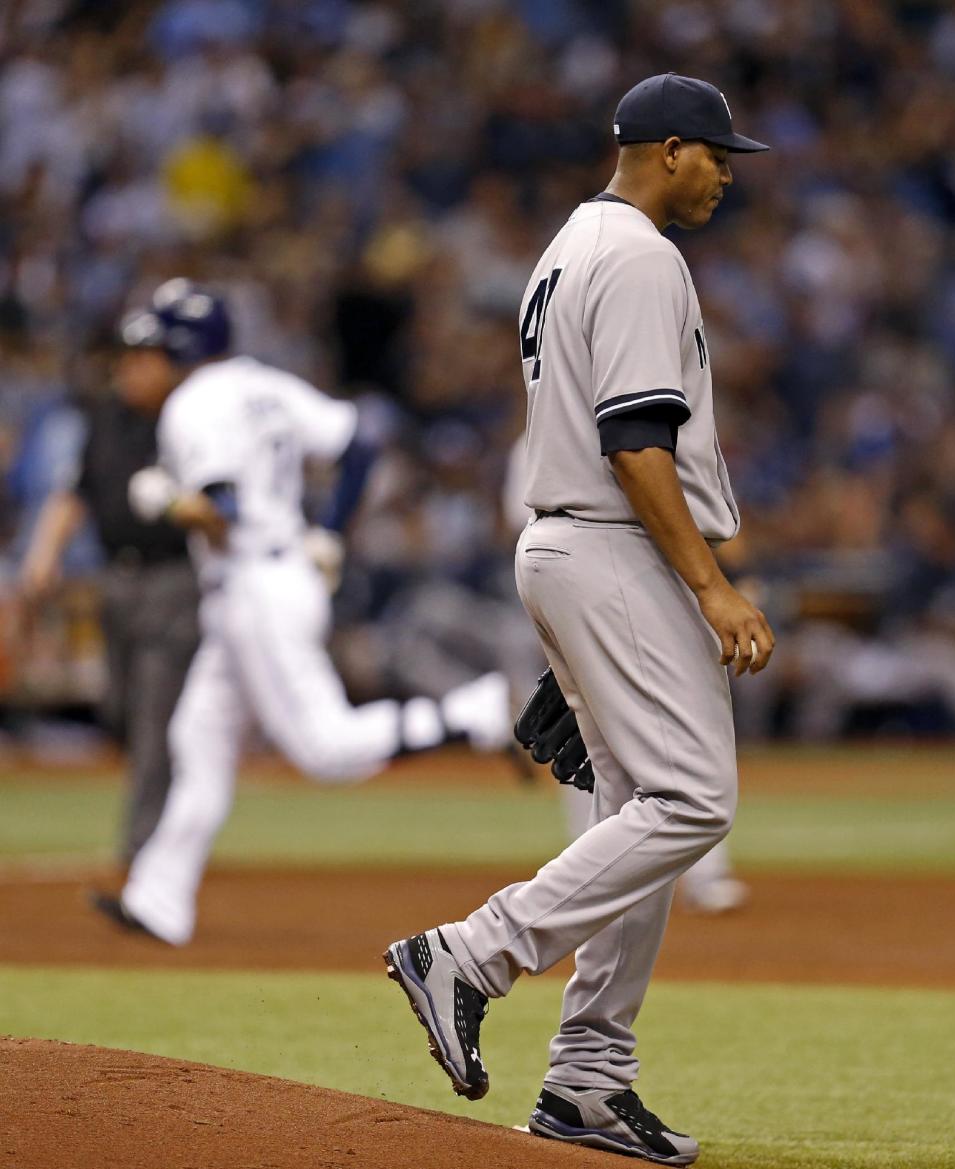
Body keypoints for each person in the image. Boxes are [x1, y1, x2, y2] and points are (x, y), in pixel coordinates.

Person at [384, 74, 775, 1165]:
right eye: (715, 154)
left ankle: (589, 1083)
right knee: (695, 798)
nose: (727, 173)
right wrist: (706, 585)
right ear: (664, 148)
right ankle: (472, 950)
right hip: (615, 543)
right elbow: (636, 438)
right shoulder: (644, 254)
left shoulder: (567, 246)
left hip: (577, 546)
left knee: (637, 813)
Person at [91, 278, 511, 946]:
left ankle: (472, 712)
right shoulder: (264, 384)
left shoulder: (193, 405)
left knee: (327, 748)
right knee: (197, 739)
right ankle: (158, 898)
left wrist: (164, 499)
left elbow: (219, 512)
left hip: (255, 586)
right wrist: (332, 530)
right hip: (274, 577)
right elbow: (361, 441)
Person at [504, 434, 749, 915]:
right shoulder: (545, 441)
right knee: (621, 756)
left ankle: (696, 875)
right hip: (596, 582)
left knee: (661, 756)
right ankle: (591, 872)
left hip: (625, 583)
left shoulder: (651, 423)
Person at [18, 352, 200, 865]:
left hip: (175, 577)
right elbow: (76, 493)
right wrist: (44, 552)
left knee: (152, 714)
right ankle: (170, 808)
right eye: (127, 363)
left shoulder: (189, 421)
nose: (132, 374)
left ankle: (145, 850)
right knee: (119, 709)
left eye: (146, 363)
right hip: (114, 578)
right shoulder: (105, 420)